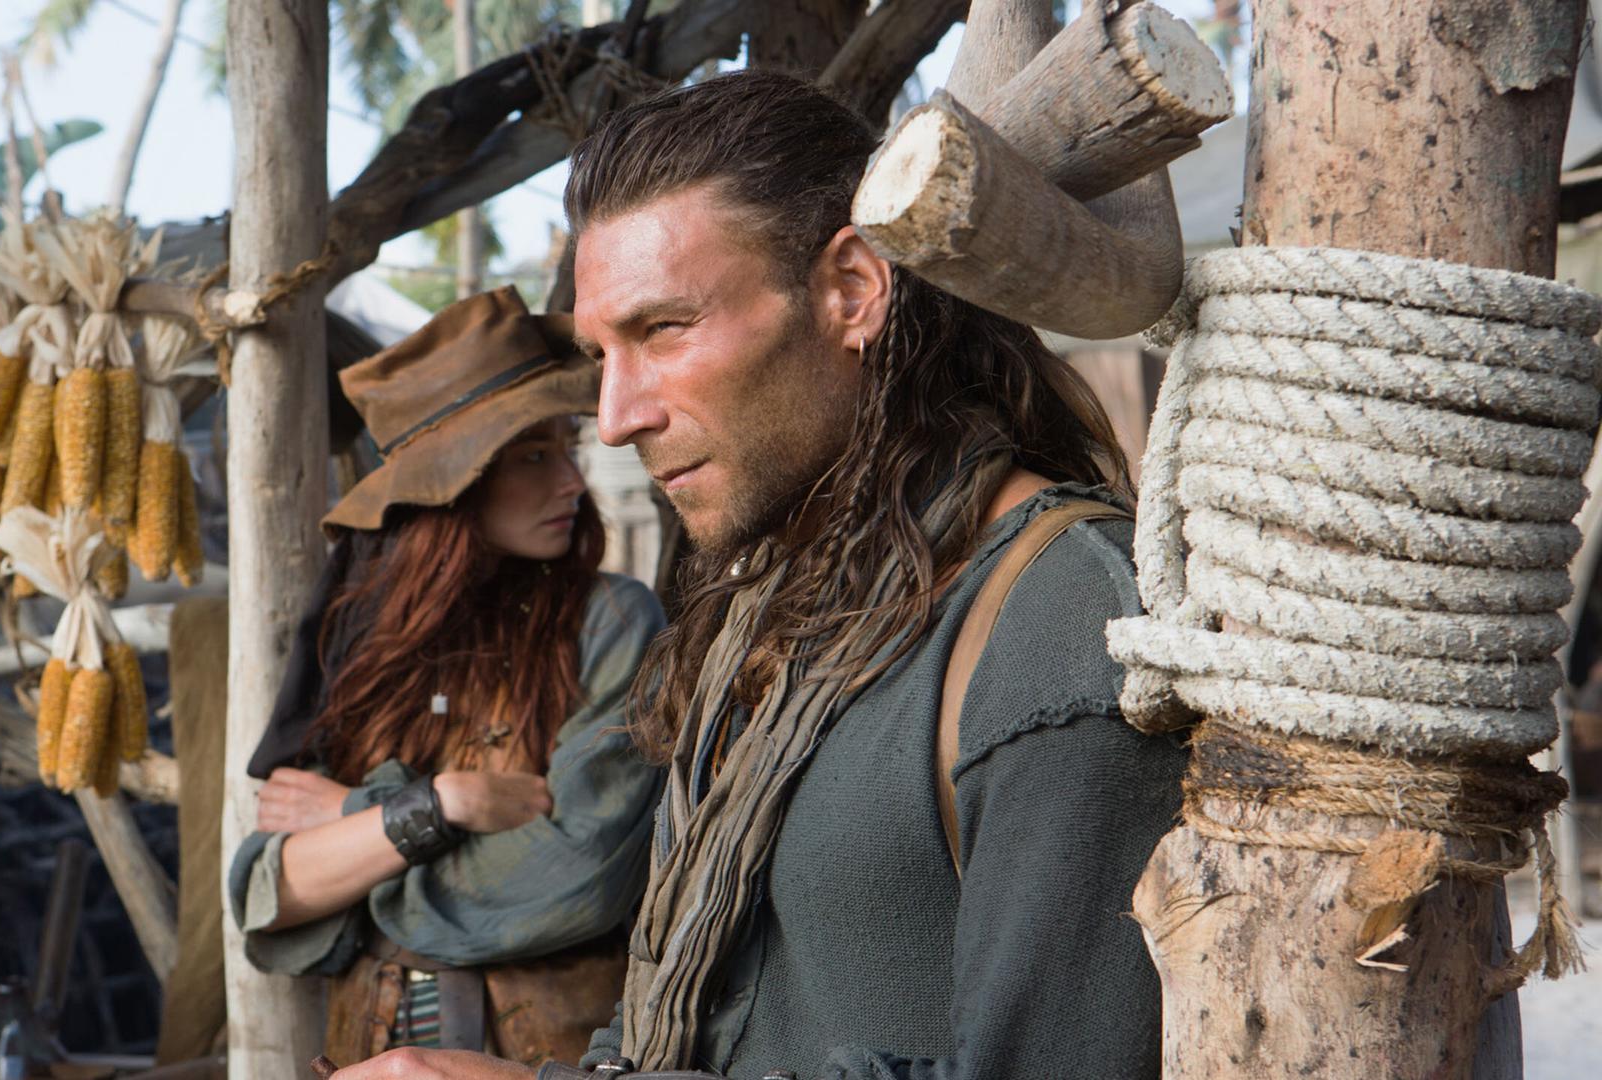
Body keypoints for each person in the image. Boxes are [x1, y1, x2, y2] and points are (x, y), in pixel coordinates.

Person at [328, 71, 1188, 1080]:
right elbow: (677, 1014)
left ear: (851, 290)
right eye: (602, 354)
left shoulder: (1058, 624)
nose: (616, 417)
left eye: (662, 329)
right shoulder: (768, 607)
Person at [227, 286, 667, 1068]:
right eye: (534, 456)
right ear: (453, 488)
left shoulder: (610, 622)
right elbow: (266, 891)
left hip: (538, 1062)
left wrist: (357, 833)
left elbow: (579, 877)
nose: (573, 481)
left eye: (565, 448)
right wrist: (441, 804)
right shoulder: (364, 639)